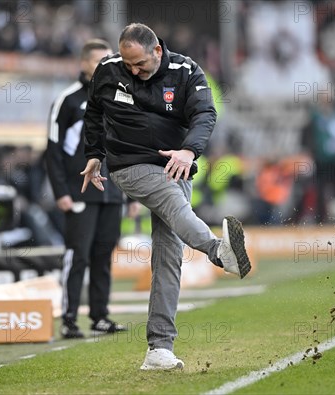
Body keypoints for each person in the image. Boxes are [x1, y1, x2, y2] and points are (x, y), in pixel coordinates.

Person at [80, 23, 252, 370]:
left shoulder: (186, 71)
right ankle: (219, 252)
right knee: (174, 206)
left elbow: (205, 114)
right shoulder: (107, 71)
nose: (133, 71)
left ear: (157, 50)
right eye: (127, 64)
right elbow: (94, 112)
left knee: (168, 255)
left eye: (139, 63)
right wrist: (95, 153)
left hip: (177, 163)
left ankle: (158, 348)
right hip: (129, 164)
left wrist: (189, 151)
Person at [46, 39, 127, 339]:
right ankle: (69, 319)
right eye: (98, 61)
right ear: (83, 64)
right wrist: (60, 192)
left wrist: (128, 194)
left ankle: (100, 316)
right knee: (77, 255)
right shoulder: (67, 100)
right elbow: (52, 150)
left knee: (103, 255)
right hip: (79, 191)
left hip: (112, 191)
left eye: (109, 61)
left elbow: (126, 146)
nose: (104, 66)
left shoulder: (120, 97)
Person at [304, 93, 335, 224]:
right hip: (321, 160)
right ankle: (320, 219)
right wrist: (312, 152)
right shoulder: (316, 117)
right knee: (320, 190)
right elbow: (310, 136)